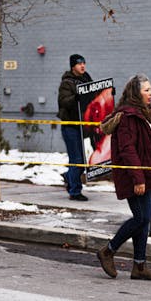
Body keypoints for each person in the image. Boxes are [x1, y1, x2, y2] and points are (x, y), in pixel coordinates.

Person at [96, 74, 151, 281]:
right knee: (141, 218)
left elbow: (146, 145)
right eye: (147, 90)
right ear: (136, 92)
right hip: (136, 175)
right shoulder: (128, 116)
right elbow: (128, 150)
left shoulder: (144, 114)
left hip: (149, 173)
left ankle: (139, 266)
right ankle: (108, 251)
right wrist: (138, 178)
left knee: (145, 221)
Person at [57, 54, 92, 201]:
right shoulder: (67, 83)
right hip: (71, 126)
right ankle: (75, 191)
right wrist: (75, 98)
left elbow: (95, 97)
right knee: (77, 159)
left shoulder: (87, 80)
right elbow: (63, 101)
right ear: (73, 66)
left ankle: (69, 177)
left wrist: (108, 93)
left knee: (85, 160)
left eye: (84, 63)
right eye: (79, 64)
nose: (82, 66)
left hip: (85, 126)